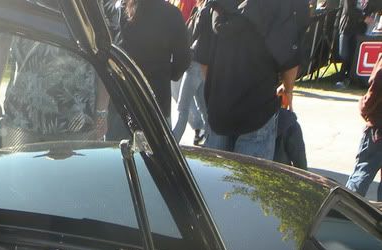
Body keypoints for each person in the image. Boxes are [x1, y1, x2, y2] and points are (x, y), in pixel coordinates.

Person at [196, 0, 308, 160]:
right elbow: (289, 57)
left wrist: (215, 88)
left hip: (220, 108)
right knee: (251, 173)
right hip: (258, 108)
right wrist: (288, 89)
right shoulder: (276, 6)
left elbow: (203, 60)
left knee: (218, 172)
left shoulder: (214, 5)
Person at [0, 33, 104, 147]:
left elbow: (104, 54)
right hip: (20, 120)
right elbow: (0, 43)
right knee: (17, 161)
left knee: (79, 163)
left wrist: (101, 112)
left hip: (78, 123)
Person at [118, 0, 191, 121]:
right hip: (157, 95)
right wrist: (168, 73)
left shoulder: (124, 8)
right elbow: (183, 59)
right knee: (158, 132)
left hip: (127, 92)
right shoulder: (171, 13)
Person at [173, 1, 210, 144]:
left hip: (195, 63)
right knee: (203, 109)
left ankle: (172, 143)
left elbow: (192, 33)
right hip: (203, 64)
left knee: (182, 108)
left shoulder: (203, 9)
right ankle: (209, 142)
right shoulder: (212, 9)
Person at [346, 50, 382, 199]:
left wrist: (364, 106)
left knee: (362, 172)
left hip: (378, 127)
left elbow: (378, 83)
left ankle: (345, 208)